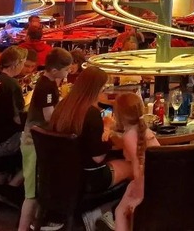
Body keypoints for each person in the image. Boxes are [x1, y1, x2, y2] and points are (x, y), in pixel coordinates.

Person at [50, 67, 132, 229]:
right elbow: (98, 158)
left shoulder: (63, 106)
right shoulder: (91, 113)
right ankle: (107, 214)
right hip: (88, 177)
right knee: (134, 168)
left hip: (60, 174)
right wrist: (108, 130)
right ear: (96, 89)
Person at [18, 48, 73, 231]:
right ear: (56, 71)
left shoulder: (44, 81)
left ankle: (37, 222)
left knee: (35, 189)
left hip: (33, 139)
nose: (68, 73)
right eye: (66, 70)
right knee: (31, 193)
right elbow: (50, 116)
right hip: (34, 142)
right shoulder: (47, 87)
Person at [112, 93, 161, 231]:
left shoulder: (129, 137)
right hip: (159, 181)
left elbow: (138, 166)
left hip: (145, 184)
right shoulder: (144, 130)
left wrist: (139, 197)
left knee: (120, 212)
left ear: (119, 115)